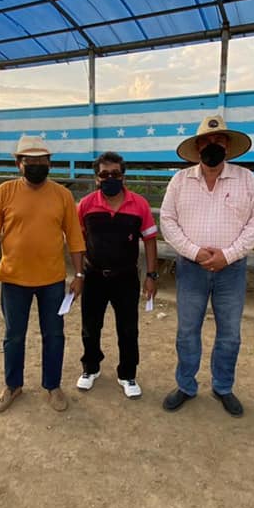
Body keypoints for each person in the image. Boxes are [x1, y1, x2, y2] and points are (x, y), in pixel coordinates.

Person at [159, 115, 254, 417]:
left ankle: (223, 386)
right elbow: (167, 220)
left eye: (219, 140)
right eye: (206, 141)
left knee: (230, 334)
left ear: (228, 146)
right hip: (190, 268)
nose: (212, 145)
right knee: (187, 331)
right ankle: (186, 385)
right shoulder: (180, 180)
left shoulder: (247, 179)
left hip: (231, 270)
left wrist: (228, 255)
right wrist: (195, 252)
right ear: (197, 147)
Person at [0, 135, 86, 414]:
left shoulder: (62, 195)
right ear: (19, 163)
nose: (36, 166)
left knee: (54, 335)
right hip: (14, 279)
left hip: (52, 281)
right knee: (14, 336)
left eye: (42, 161)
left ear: (50, 164)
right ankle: (12, 385)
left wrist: (79, 275)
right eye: (30, 161)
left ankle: (52, 386)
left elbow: (75, 238)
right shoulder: (4, 192)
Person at [76, 151, 159, 399]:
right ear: (96, 178)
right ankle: (91, 368)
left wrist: (151, 275)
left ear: (123, 176)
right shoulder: (85, 205)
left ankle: (127, 374)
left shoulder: (139, 204)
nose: (110, 178)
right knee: (90, 327)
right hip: (94, 276)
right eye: (104, 174)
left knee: (128, 329)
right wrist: (79, 274)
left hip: (126, 277)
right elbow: (77, 242)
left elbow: (150, 240)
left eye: (115, 174)